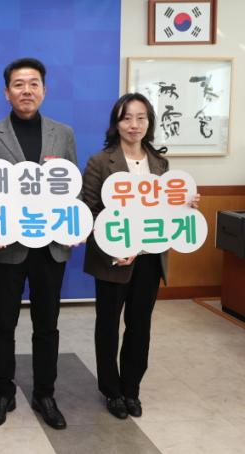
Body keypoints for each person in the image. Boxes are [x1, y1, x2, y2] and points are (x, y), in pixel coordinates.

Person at [0, 58, 77, 430]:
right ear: (7, 92)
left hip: (50, 247)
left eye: (34, 83)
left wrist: (73, 225)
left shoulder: (63, 134)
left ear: (44, 90)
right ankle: (2, 392)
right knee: (3, 324)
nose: (27, 90)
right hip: (8, 248)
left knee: (47, 325)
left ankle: (45, 393)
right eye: (19, 84)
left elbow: (71, 189)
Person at [82, 93, 199, 420]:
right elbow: (89, 212)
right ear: (116, 123)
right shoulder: (100, 161)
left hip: (150, 257)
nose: (134, 125)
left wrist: (186, 204)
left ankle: (131, 388)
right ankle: (111, 390)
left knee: (140, 325)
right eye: (126, 118)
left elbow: (165, 208)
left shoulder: (160, 163)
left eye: (141, 117)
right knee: (108, 326)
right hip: (114, 259)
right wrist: (115, 248)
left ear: (149, 122)